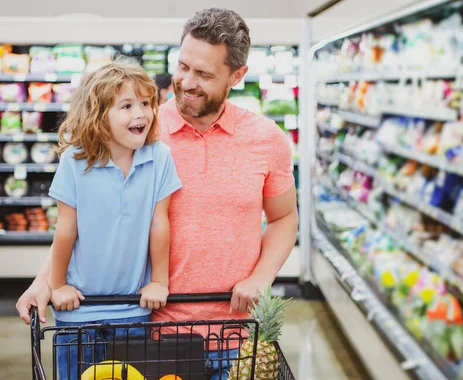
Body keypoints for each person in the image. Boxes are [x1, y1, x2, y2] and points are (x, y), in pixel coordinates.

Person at [17, 8, 298, 380]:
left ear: (238, 75)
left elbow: (283, 218)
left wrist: (262, 276)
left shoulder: (267, 139)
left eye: (204, 74)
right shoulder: (139, 130)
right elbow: (91, 220)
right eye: (182, 66)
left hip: (236, 331)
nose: (186, 82)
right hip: (154, 329)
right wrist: (45, 282)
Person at [45, 62, 182, 380]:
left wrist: (159, 280)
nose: (141, 114)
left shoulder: (159, 157)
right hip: (77, 313)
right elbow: (66, 228)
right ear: (98, 115)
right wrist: (57, 285)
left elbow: (158, 223)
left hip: (133, 312)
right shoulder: (75, 160)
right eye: (127, 105)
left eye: (146, 103)